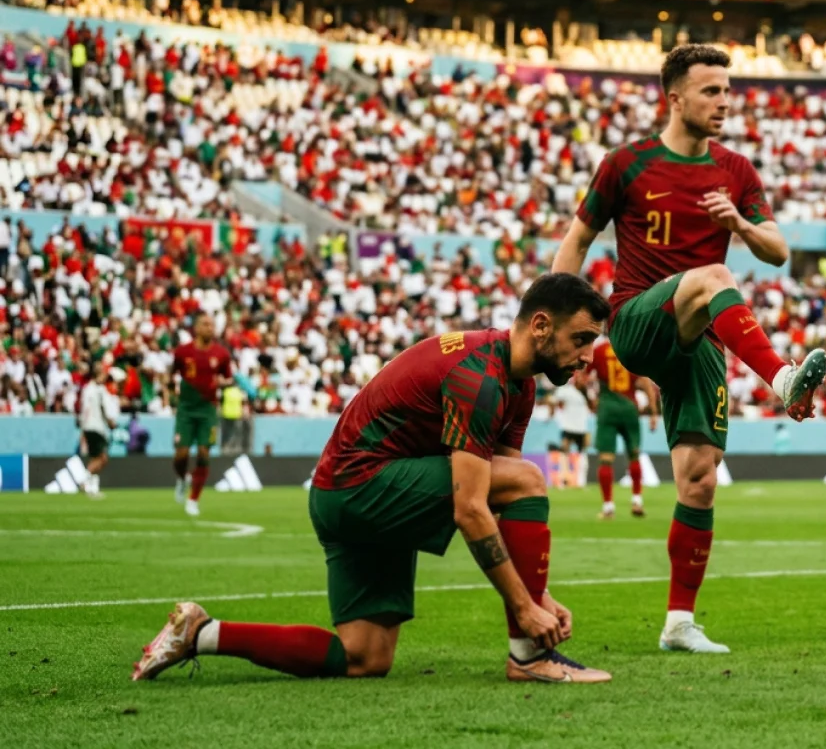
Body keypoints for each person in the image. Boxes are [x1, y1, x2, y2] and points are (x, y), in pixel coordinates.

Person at [133, 273, 614, 685]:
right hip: (360, 488)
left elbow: (499, 498)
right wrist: (526, 611)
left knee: (364, 658)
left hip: (347, 494)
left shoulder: (519, 385)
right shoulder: (480, 377)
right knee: (529, 478)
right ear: (541, 325)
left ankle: (201, 633)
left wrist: (537, 593)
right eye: (581, 339)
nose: (588, 356)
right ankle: (529, 657)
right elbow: (472, 506)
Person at [553, 43, 826, 655]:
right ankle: (782, 380)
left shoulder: (736, 170)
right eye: (711, 91)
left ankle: (679, 623)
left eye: (728, 91)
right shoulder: (626, 164)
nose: (724, 102)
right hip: (636, 320)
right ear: (675, 98)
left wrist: (740, 225)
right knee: (714, 277)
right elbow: (577, 241)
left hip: (700, 336)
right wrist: (554, 328)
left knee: (699, 478)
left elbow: (778, 251)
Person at [170, 313, 233, 517]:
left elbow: (229, 378)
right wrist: (171, 393)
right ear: (196, 328)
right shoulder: (183, 352)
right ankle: (182, 479)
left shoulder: (221, 353)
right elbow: (172, 374)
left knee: (204, 452)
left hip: (208, 410)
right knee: (181, 454)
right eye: (205, 324)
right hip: (186, 409)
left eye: (212, 325)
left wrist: (222, 383)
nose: (210, 328)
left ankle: (193, 499)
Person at [590, 336, 658, 519]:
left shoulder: (599, 349)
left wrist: (591, 400)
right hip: (629, 407)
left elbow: (582, 379)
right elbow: (645, 382)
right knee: (634, 454)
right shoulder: (631, 346)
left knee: (605, 459)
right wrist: (653, 412)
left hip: (607, 406)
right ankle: (637, 501)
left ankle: (608, 507)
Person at [77, 360, 118, 499]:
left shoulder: (88, 389)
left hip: (89, 427)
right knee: (102, 458)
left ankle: (93, 488)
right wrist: (111, 422)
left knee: (96, 457)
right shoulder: (98, 390)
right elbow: (103, 409)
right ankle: (84, 480)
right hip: (96, 427)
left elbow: (83, 409)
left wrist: (83, 427)